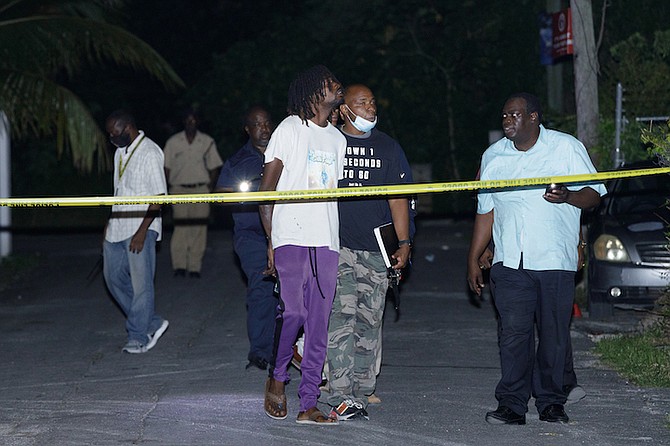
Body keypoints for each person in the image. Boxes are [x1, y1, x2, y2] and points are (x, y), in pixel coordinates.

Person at [466, 93, 605, 425]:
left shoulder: (566, 148)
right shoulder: (493, 156)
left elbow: (595, 195)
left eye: (514, 115)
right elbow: (486, 210)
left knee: (553, 334)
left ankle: (551, 402)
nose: (507, 121)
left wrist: (568, 196)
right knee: (513, 333)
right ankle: (512, 404)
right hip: (511, 261)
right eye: (504, 116)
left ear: (533, 118)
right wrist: (473, 257)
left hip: (554, 258)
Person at [260, 65, 346, 425]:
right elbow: (267, 192)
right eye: (330, 82)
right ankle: (277, 376)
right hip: (291, 235)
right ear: (313, 91)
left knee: (319, 323)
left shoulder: (339, 140)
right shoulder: (290, 128)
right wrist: (271, 241)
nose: (337, 85)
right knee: (293, 312)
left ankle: (308, 402)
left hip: (325, 238)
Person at [325, 84, 414, 420]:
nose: (370, 108)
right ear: (344, 109)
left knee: (370, 318)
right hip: (338, 247)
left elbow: (398, 198)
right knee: (341, 317)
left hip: (376, 249)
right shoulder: (330, 143)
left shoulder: (389, 147)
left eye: (372, 102)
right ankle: (340, 392)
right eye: (361, 103)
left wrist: (404, 244)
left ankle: (363, 387)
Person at [215, 106, 277, 371]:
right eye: (257, 125)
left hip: (286, 231)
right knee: (262, 286)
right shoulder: (238, 161)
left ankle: (287, 347)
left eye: (266, 124)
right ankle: (261, 351)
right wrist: (249, 188)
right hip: (251, 235)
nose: (263, 129)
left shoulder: (284, 154)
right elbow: (220, 194)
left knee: (291, 292)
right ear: (248, 129)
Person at [103, 110, 170, 354]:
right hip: (117, 227)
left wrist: (143, 231)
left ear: (128, 128)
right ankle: (151, 321)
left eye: (115, 134)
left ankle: (138, 336)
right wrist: (108, 224)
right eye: (110, 135)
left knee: (142, 285)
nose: (112, 139)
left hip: (141, 226)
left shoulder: (150, 152)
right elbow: (118, 192)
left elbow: (159, 198)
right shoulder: (120, 152)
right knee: (112, 279)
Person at [164, 109, 223, 278]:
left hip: (201, 190)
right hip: (179, 190)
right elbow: (166, 167)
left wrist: (210, 188)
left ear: (198, 122)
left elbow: (214, 167)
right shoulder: (173, 142)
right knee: (181, 227)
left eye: (194, 120)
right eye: (187, 120)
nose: (191, 123)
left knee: (199, 228)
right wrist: (168, 187)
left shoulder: (207, 141)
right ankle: (180, 265)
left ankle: (195, 266)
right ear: (183, 122)